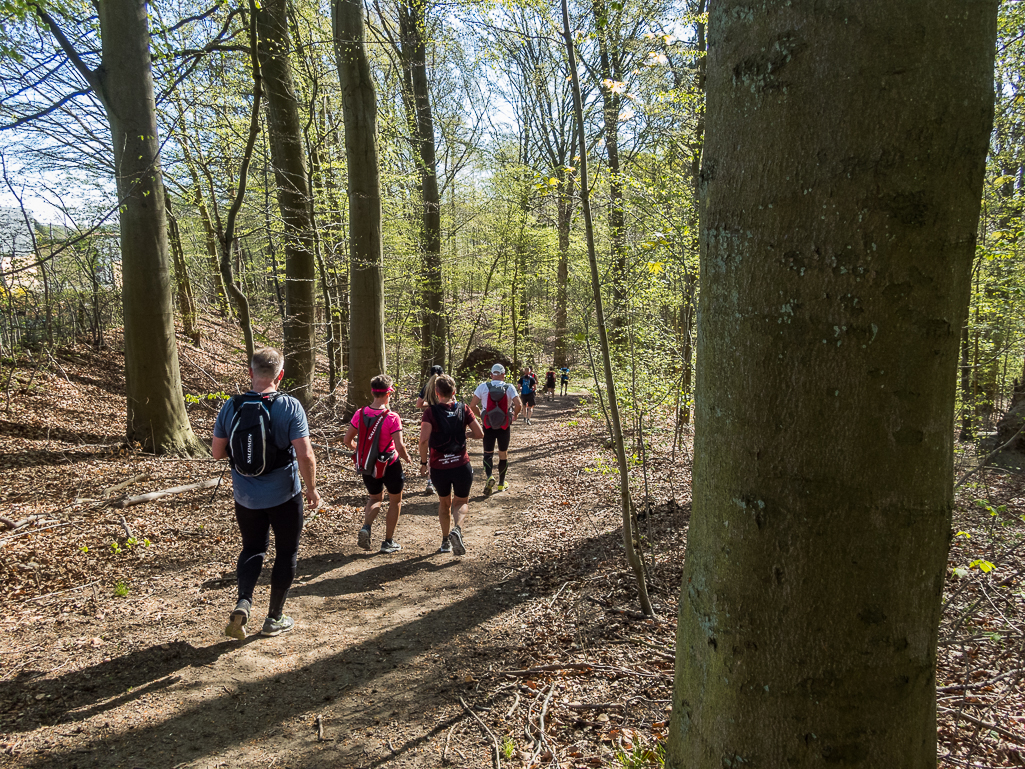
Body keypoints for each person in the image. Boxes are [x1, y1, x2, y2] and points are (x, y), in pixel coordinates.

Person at [212, 348, 321, 639]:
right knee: (286, 552)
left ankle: (244, 602)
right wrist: (311, 489)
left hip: (245, 497)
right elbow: (306, 455)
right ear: (280, 375)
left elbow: (216, 452)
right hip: (285, 495)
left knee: (252, 548)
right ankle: (274, 618)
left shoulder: (232, 405)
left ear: (250, 373)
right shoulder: (289, 406)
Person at [343, 375, 412, 554]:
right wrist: (407, 458)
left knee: (375, 498)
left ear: (372, 392)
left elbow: (347, 440)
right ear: (388, 393)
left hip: (367, 465)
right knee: (395, 501)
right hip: (390, 464)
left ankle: (366, 527)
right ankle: (388, 541)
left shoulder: (360, 413)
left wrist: (359, 452)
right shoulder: (392, 417)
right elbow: (399, 445)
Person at [418, 374, 484, 554]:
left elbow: (423, 441)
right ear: (454, 391)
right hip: (461, 464)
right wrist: (464, 435)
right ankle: (458, 529)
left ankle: (446, 541)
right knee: (461, 501)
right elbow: (479, 434)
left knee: (444, 503)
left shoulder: (429, 412)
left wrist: (423, 463)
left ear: (437, 392)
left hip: (439, 466)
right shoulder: (464, 409)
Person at [469, 363, 521, 495]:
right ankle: (501, 483)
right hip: (504, 425)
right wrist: (514, 415)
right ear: (503, 375)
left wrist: (481, 415)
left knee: (488, 452)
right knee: (503, 454)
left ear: (491, 374)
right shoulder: (509, 387)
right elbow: (518, 404)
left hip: (488, 425)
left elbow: (472, 405)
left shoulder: (483, 386)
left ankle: (489, 477)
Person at [415, 365, 444, 495]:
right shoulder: (445, 384)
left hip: (430, 418)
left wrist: (430, 404)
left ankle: (430, 482)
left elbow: (419, 404)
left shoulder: (427, 386)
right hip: (444, 417)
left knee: (431, 449)